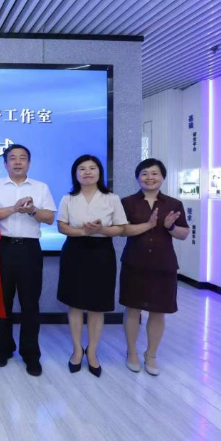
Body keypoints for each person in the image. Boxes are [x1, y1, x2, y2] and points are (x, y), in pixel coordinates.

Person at [0, 144, 56, 376]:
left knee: (30, 304)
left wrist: (32, 210)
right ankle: (4, 348)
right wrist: (14, 209)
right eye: (12, 158)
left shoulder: (40, 187)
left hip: (29, 250)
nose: (17, 162)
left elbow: (49, 217)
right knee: (2, 303)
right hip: (3, 248)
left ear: (29, 163)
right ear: (5, 164)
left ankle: (30, 354)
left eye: (22, 158)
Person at [56, 154, 127, 377]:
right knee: (75, 304)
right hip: (75, 251)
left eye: (92, 168)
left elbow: (120, 228)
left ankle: (93, 352)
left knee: (97, 305)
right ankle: (77, 350)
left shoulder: (112, 198)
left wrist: (100, 230)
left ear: (99, 172)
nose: (87, 172)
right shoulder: (68, 198)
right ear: (75, 174)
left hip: (101, 253)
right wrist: (83, 232)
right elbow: (61, 227)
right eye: (82, 168)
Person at [120, 158, 188, 376]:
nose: (149, 177)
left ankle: (151, 354)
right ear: (138, 178)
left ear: (163, 177)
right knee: (133, 309)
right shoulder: (127, 202)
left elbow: (184, 234)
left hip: (163, 264)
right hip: (134, 262)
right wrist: (148, 225)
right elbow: (122, 230)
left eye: (154, 173)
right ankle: (131, 352)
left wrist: (170, 227)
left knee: (159, 311)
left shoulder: (173, 204)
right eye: (144, 173)